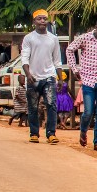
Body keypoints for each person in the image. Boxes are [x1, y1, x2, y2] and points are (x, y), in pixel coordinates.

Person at [66, 17, 97, 151]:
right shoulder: (85, 38)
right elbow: (70, 50)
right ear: (96, 27)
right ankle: (83, 132)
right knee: (88, 112)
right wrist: (75, 69)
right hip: (88, 80)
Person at [22, 9, 62, 144]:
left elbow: (57, 60)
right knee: (33, 106)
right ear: (34, 21)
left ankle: (51, 134)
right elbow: (25, 59)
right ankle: (34, 133)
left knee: (51, 105)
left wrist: (60, 78)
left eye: (44, 19)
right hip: (33, 77)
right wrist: (28, 74)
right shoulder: (29, 38)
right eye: (39, 19)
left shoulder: (53, 39)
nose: (42, 21)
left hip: (49, 77)